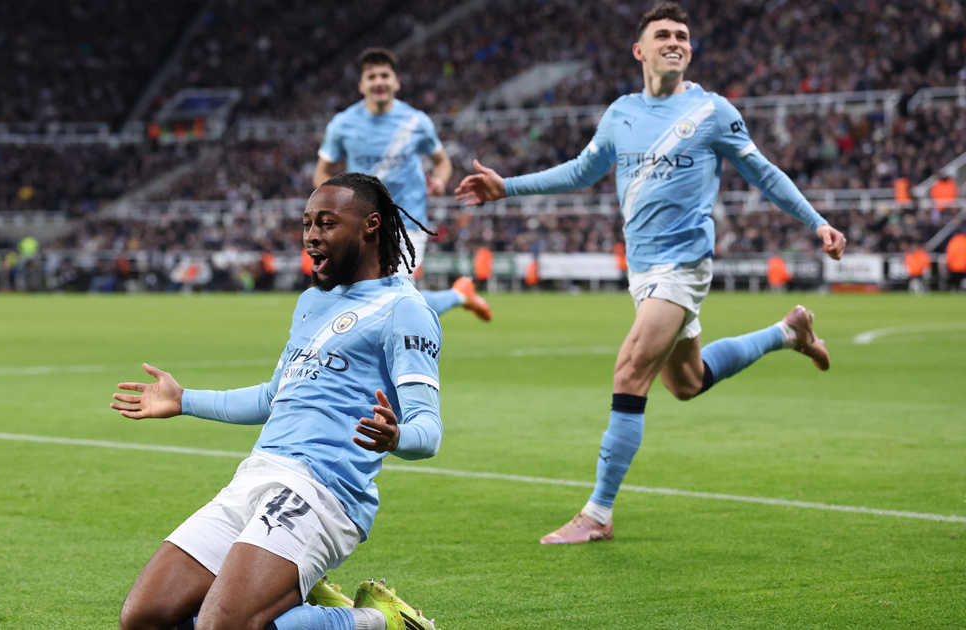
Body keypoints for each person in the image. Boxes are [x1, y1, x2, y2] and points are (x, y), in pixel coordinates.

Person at [454, 2, 848, 544]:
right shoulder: (620, 114)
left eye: (682, 36)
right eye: (662, 34)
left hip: (683, 266)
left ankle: (597, 513)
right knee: (687, 383)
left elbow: (764, 172)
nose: (675, 41)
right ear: (640, 50)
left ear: (689, 50)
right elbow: (581, 170)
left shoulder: (713, 112)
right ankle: (789, 332)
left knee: (628, 371)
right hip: (643, 272)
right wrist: (509, 186)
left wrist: (817, 221)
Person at [111, 173, 441, 630]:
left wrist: (397, 435)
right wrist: (184, 399)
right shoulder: (310, 302)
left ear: (370, 224)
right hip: (256, 475)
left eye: (326, 223)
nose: (311, 236)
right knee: (144, 618)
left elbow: (429, 431)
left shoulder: (405, 310)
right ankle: (288, 599)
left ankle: (378, 621)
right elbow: (272, 397)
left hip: (323, 492)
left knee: (221, 626)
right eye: (307, 224)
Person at [315, 47, 491, 322]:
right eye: (372, 76)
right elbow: (322, 171)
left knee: (387, 296)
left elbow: (442, 162)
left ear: (396, 82)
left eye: (385, 75)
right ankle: (459, 295)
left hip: (405, 222)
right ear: (362, 85)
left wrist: (440, 182)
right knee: (375, 297)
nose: (379, 81)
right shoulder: (342, 124)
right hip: (359, 223)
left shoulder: (416, 122)